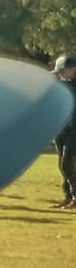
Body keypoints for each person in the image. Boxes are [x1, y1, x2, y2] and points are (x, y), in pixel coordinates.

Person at [54, 57, 76, 207]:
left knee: (66, 164)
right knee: (62, 165)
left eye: (63, 71)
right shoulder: (62, 84)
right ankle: (68, 196)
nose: (60, 74)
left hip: (74, 130)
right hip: (61, 129)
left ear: (74, 69)